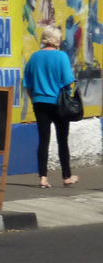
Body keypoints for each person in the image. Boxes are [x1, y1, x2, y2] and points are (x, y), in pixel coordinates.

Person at [23, 24, 78, 188]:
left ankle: (43, 177)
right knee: (62, 140)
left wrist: (34, 98)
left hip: (39, 103)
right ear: (55, 40)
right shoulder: (61, 56)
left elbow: (28, 84)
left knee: (43, 140)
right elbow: (68, 81)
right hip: (58, 104)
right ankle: (67, 176)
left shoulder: (34, 57)